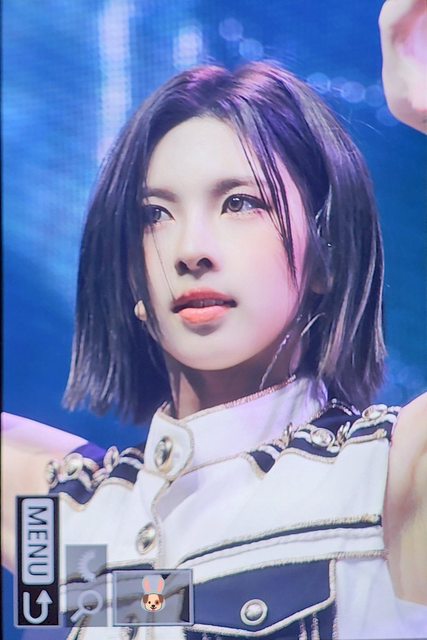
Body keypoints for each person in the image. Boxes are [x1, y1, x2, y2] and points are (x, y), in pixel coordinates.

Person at [3, 10, 427, 640]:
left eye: (240, 203)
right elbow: (146, 600)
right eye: (155, 215)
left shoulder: (386, 479)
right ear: (132, 282)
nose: (190, 249)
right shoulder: (67, 524)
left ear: (326, 257)